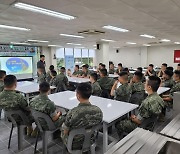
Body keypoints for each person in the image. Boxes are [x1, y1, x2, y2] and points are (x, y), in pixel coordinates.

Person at [61, 83, 103, 150]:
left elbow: (65, 131)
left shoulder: (73, 112)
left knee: (63, 127)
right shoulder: (98, 111)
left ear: (78, 95)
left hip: (74, 143)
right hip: (91, 140)